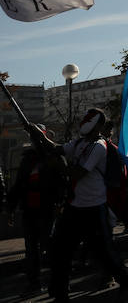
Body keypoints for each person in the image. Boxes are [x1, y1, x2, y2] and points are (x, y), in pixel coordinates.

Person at [27, 109, 128, 302]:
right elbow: (57, 148)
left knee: (104, 253)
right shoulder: (79, 143)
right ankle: (60, 294)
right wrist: (38, 134)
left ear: (99, 126)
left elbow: (77, 173)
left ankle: (127, 283)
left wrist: (56, 164)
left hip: (94, 208)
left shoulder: (99, 146)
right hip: (74, 206)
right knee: (60, 250)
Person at [6, 124, 66, 294]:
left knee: (52, 248)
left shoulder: (53, 156)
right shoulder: (27, 159)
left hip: (48, 210)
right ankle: (34, 283)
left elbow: (63, 182)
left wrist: (60, 204)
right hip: (30, 211)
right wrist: (10, 207)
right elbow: (19, 185)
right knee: (31, 251)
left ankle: (59, 283)